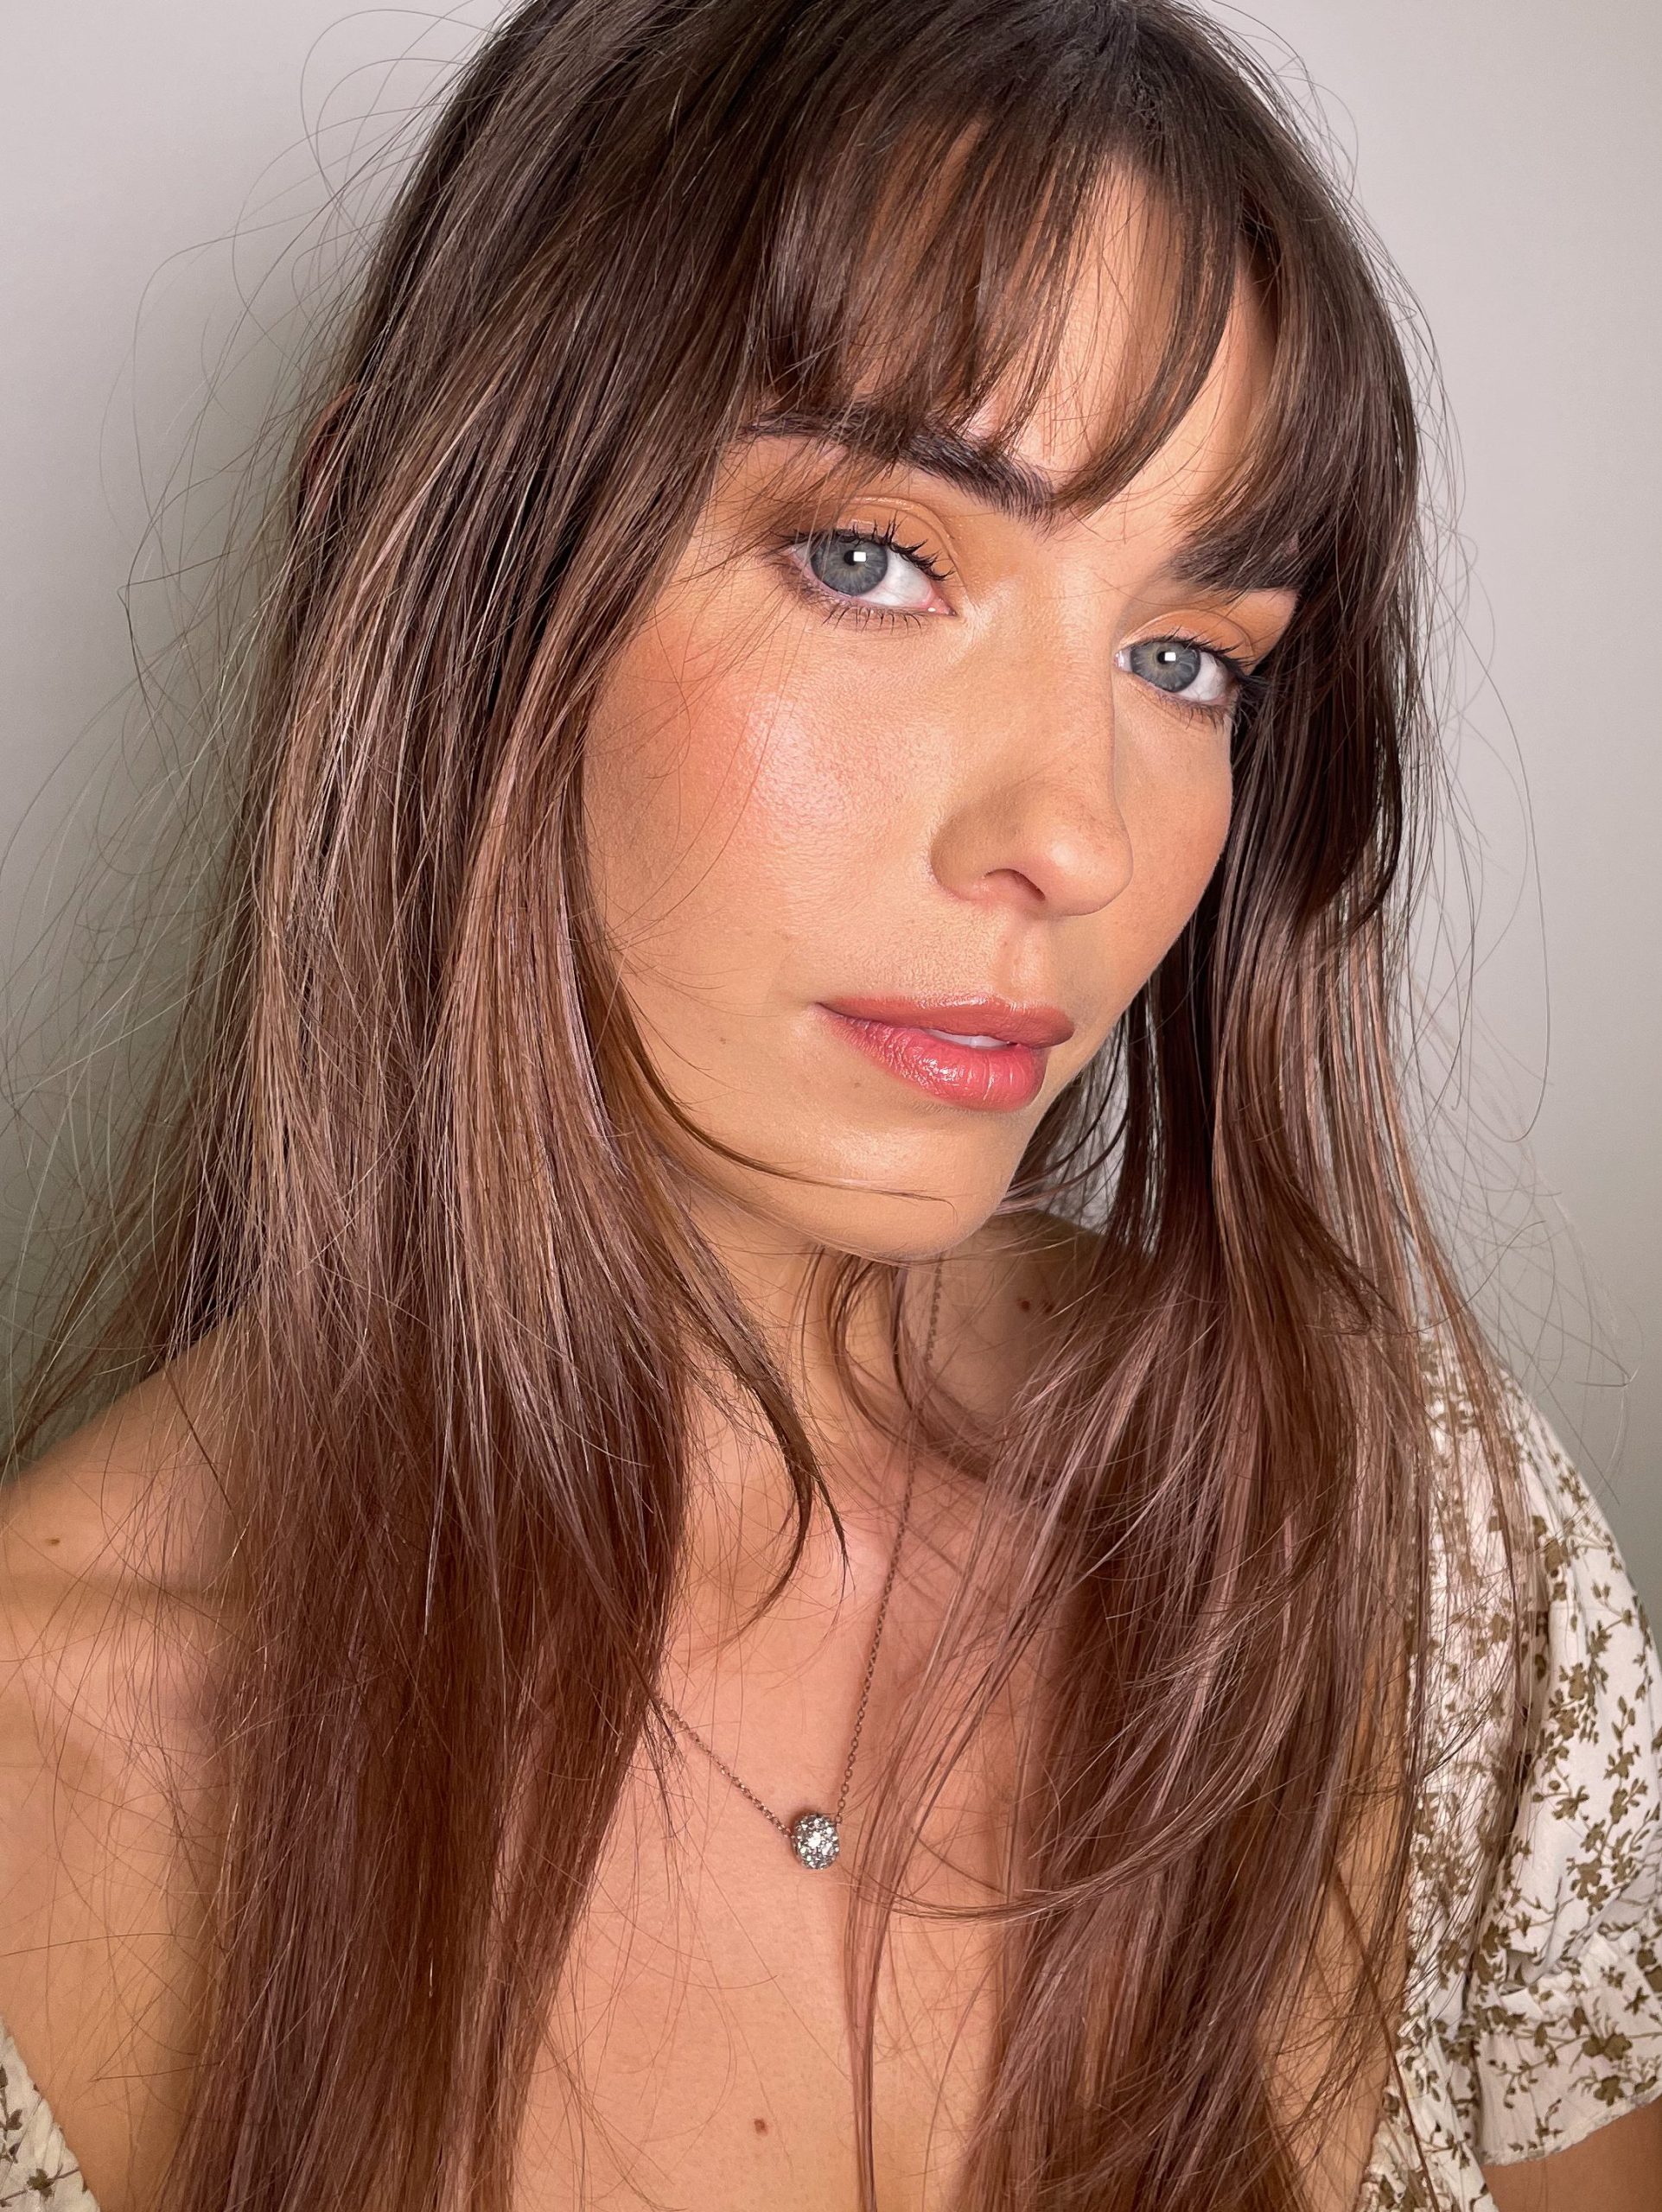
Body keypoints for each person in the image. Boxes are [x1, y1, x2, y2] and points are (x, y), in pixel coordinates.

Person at [1, 2, 1659, 2208]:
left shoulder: (1397, 1517)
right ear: (418, 555)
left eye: (1184, 656)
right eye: (873, 556)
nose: (1073, 834)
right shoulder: (41, 1802)